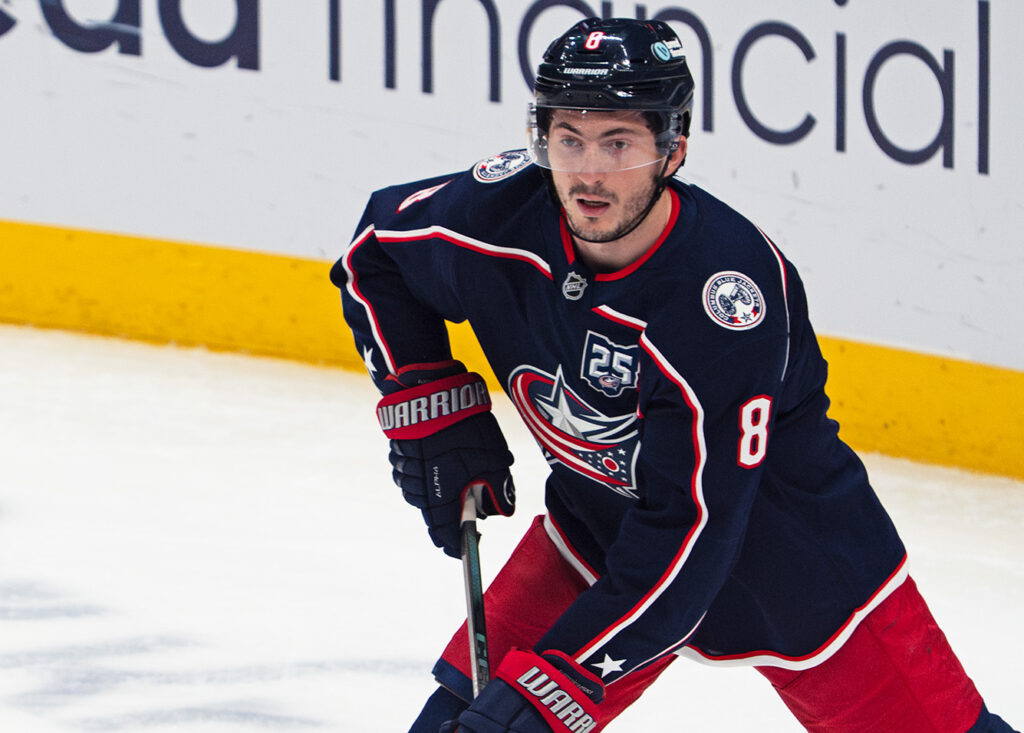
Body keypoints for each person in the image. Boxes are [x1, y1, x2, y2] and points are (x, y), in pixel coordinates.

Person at [331, 17, 1017, 733]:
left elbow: (691, 538)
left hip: (788, 561)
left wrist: (559, 686)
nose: (588, 172)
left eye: (618, 142)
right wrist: (435, 409)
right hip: (598, 532)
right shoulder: (500, 215)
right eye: (569, 138)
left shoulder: (723, 299)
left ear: (673, 148)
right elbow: (375, 254)